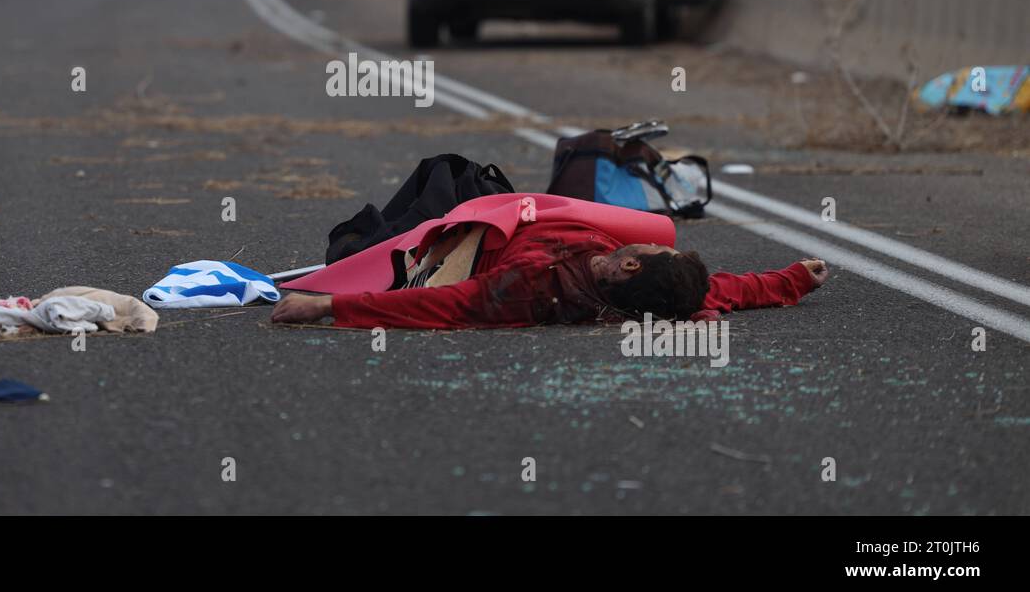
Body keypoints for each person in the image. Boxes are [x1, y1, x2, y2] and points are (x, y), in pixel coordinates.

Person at [270, 211, 830, 329]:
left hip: (460, 241)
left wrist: (329, 305)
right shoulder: (650, 287)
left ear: (630, 262)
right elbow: (727, 289)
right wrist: (794, 278)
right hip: (525, 215)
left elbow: (439, 306)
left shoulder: (532, 286)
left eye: (661, 252)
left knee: (439, 181)